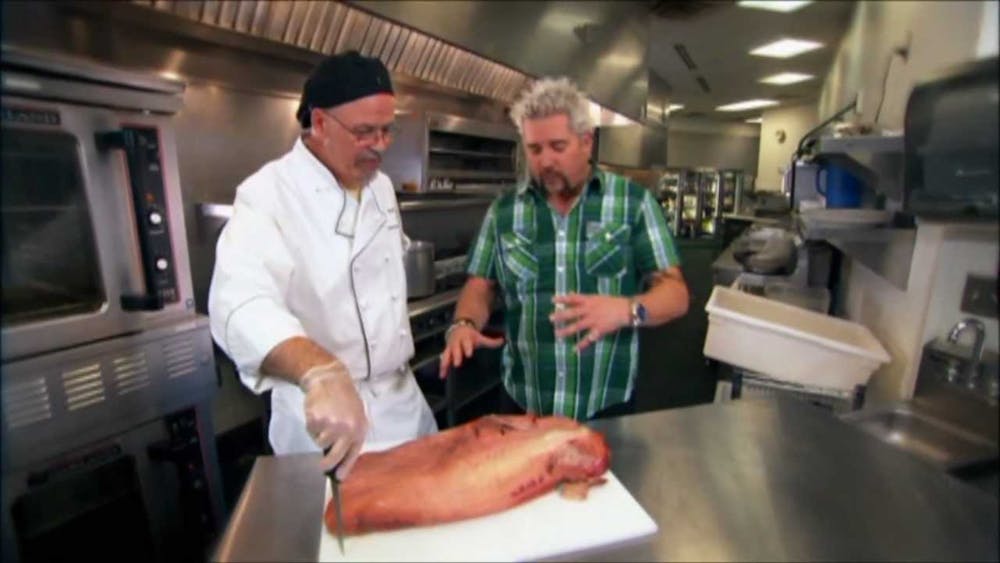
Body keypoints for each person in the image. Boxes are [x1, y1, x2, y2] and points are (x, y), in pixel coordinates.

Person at [208, 51, 437, 479]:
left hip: (405, 408)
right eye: (365, 132)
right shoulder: (267, 195)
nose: (381, 146)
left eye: (388, 130)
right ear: (319, 123)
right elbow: (240, 302)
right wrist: (320, 371)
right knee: (343, 541)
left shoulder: (381, 188)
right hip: (326, 425)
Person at [438, 77, 690, 421]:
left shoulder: (633, 204)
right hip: (524, 408)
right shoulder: (504, 212)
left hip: (605, 408)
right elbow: (480, 285)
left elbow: (675, 293)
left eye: (558, 146)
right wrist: (464, 323)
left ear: (586, 142)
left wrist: (626, 310)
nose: (545, 162)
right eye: (535, 149)